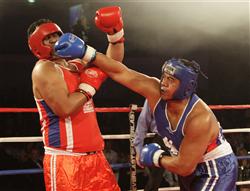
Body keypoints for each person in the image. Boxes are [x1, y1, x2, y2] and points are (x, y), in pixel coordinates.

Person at [53, 33, 238, 190]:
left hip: (215, 168)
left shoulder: (199, 119)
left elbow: (184, 167)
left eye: (171, 80)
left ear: (187, 87)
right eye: (164, 76)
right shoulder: (155, 91)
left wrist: (156, 157)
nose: (164, 82)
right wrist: (87, 52)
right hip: (188, 162)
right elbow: (120, 72)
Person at [27, 6, 125, 191]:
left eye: (56, 35)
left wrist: (115, 35)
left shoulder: (75, 64)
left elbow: (112, 65)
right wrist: (88, 86)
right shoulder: (44, 69)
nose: (55, 40)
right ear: (38, 46)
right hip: (67, 160)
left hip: (96, 158)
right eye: (48, 38)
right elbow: (65, 108)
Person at [135, 99, 174, 190]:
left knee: (186, 176)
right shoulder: (153, 95)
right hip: (161, 139)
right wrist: (138, 148)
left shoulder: (184, 95)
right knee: (154, 180)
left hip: (181, 139)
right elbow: (143, 121)